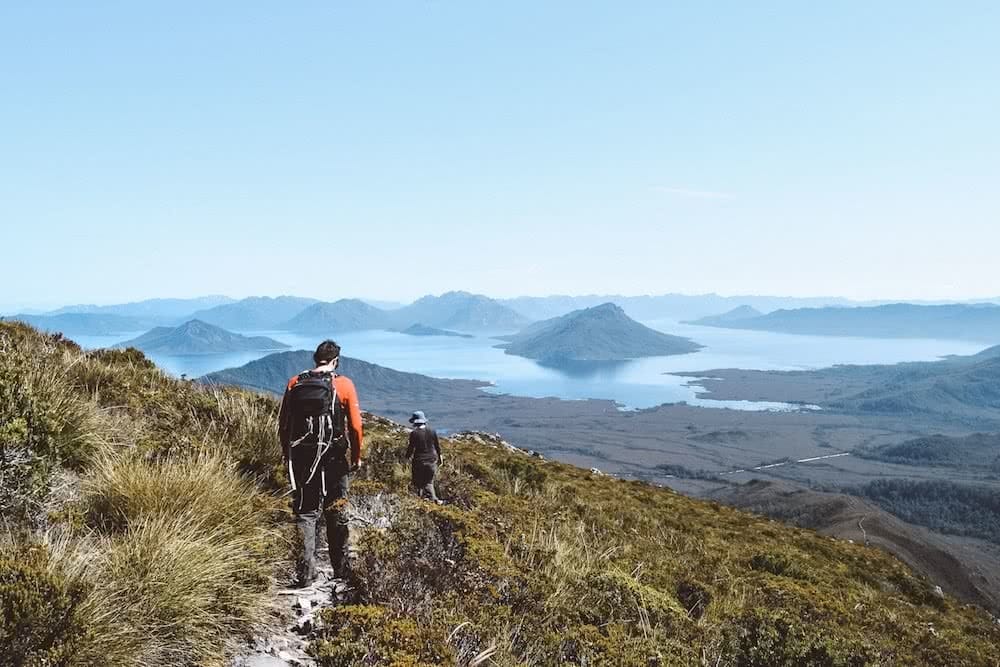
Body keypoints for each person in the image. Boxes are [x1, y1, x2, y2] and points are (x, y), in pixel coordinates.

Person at [278, 340, 364, 586]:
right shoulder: (344, 384)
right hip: (334, 459)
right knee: (336, 510)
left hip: (303, 460)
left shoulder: (295, 382)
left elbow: (284, 423)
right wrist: (355, 458)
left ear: (315, 359)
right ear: (335, 361)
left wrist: (288, 455)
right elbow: (356, 428)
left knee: (306, 513)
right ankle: (341, 570)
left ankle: (306, 574)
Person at [406, 410, 443, 503]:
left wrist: (406, 458)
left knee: (419, 483)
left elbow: (411, 448)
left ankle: (433, 500)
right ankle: (429, 500)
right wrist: (440, 457)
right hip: (432, 460)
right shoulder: (432, 431)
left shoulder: (414, 433)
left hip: (419, 462)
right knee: (429, 482)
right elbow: (437, 446)